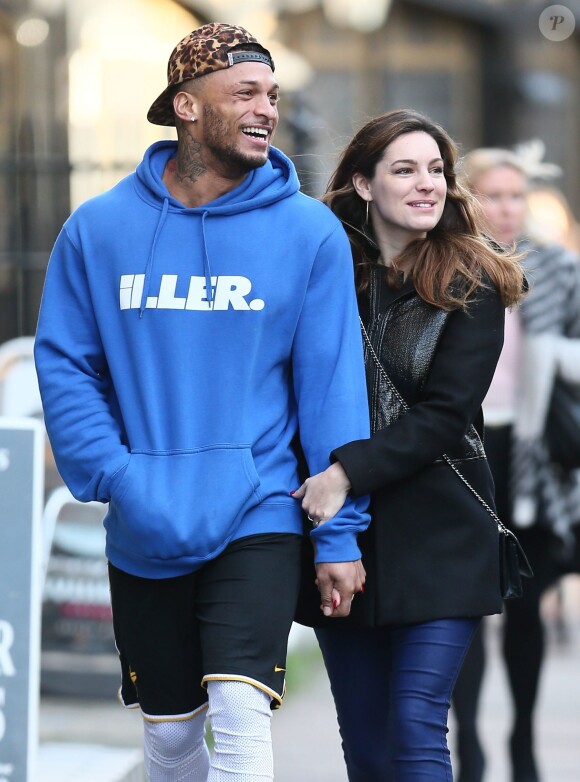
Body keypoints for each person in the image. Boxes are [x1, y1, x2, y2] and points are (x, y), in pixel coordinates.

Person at [33, 22, 371, 782]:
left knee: (241, 716)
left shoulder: (308, 232)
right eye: (244, 92)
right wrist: (117, 476)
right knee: (172, 740)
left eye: (273, 95)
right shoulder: (99, 229)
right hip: (144, 512)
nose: (266, 109)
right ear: (185, 105)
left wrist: (339, 534)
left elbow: (330, 390)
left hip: (260, 508)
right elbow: (66, 366)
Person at [292, 109, 525, 782]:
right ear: (363, 184)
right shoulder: (325, 275)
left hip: (442, 535)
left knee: (417, 730)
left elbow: (445, 416)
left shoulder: (472, 282)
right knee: (367, 749)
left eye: (437, 171)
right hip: (344, 544)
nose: (428, 185)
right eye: (404, 170)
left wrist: (345, 473)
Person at [451, 147, 580, 782]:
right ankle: (467, 747)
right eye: (491, 195)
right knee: (463, 606)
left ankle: (525, 744)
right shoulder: (444, 263)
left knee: (528, 607)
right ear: (468, 197)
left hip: (531, 458)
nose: (504, 208)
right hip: (463, 449)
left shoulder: (556, 267)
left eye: (515, 196)